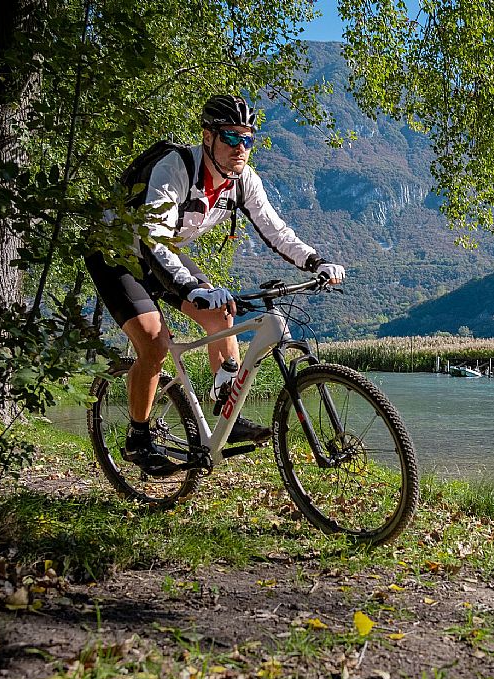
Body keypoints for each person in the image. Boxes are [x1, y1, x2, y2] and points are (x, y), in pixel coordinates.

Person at [85, 95, 345, 471]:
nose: (240, 148)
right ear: (208, 137)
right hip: (117, 251)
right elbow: (153, 237)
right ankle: (138, 438)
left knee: (223, 313)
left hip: (160, 252)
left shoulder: (244, 182)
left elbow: (276, 230)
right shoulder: (175, 167)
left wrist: (316, 261)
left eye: (247, 139)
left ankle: (227, 412)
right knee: (155, 344)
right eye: (230, 137)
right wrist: (190, 288)